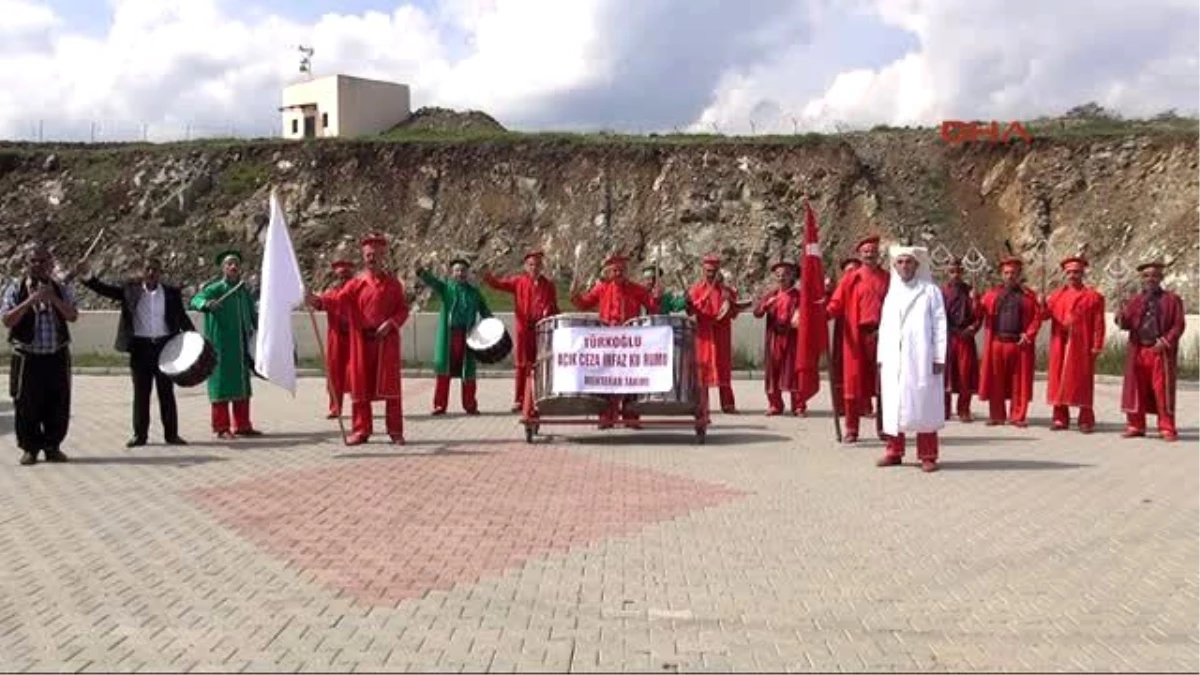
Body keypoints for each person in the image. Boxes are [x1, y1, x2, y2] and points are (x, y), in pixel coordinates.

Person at [78, 256, 194, 447]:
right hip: (140, 348)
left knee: (166, 392)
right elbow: (105, 290)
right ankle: (140, 435)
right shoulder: (130, 290)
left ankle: (171, 435)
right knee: (141, 393)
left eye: (155, 270)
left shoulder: (171, 293)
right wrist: (87, 275)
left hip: (165, 347)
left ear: (160, 273)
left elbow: (181, 318)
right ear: (142, 272)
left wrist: (194, 340)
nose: (151, 273)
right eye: (148, 269)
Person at [307, 233, 410, 445]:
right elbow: (337, 298)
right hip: (362, 343)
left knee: (391, 389)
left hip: (385, 342)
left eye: (376, 254)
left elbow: (403, 310)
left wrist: (390, 324)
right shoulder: (356, 283)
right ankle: (361, 430)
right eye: (368, 255)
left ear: (384, 256)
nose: (372, 258)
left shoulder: (393, 284)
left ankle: (395, 431)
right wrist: (317, 301)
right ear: (364, 257)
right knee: (360, 387)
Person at [2, 245, 79, 465]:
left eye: (43, 261)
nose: (38, 265)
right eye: (33, 261)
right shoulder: (15, 288)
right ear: (27, 265)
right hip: (27, 357)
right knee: (26, 404)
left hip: (56, 355)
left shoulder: (61, 288)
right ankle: (30, 448)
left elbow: (72, 315)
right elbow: (7, 320)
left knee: (58, 402)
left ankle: (52, 446)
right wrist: (31, 301)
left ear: (50, 264)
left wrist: (53, 299)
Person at [875, 246, 947, 473]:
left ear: (917, 265)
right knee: (895, 404)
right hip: (894, 358)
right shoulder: (892, 293)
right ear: (895, 266)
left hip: (922, 356)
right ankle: (894, 451)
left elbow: (940, 324)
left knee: (923, 403)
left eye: (909, 262)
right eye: (900, 262)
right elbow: (884, 327)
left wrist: (939, 355)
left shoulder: (930, 291)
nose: (904, 266)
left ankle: (928, 454)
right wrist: (881, 356)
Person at [571, 254, 659, 427]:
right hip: (607, 339)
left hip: (629, 339)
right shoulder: (601, 288)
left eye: (622, 270)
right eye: (615, 270)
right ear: (609, 272)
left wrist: (656, 297)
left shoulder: (636, 289)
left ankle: (631, 416)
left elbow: (653, 307)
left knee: (631, 378)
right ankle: (606, 416)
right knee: (606, 378)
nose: (618, 273)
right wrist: (575, 296)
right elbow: (584, 304)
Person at [189, 250, 262, 439]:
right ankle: (222, 427)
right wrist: (206, 304)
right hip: (220, 345)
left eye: (236, 264)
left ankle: (243, 425)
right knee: (221, 385)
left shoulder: (242, 291)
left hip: (240, 346)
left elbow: (252, 314)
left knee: (242, 385)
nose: (233, 267)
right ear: (223, 268)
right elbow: (196, 300)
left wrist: (259, 329)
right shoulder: (215, 289)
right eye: (229, 264)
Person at [825, 235, 889, 442]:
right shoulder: (850, 278)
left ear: (878, 254)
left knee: (884, 384)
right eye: (866, 251)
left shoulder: (888, 278)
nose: (870, 254)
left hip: (883, 335)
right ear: (859, 255)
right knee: (853, 382)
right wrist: (824, 313)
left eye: (873, 251)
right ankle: (852, 428)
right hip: (856, 336)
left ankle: (885, 428)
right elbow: (836, 304)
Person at [1115, 261, 1185, 442]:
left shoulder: (1172, 299)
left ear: (1161, 278)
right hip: (1138, 349)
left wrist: (1165, 342)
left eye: (1154, 275)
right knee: (1136, 388)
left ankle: (1167, 427)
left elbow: (1178, 325)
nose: (1150, 279)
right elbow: (1126, 324)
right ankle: (1136, 425)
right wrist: (1120, 315)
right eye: (1146, 276)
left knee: (1162, 390)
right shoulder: (1135, 300)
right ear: (1141, 279)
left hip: (1159, 351)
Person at [483, 251, 559, 412]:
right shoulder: (518, 282)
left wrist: (553, 317)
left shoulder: (548, 285)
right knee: (522, 364)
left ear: (542, 266)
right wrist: (487, 275)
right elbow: (497, 284)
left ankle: (540, 397)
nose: (534, 268)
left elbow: (554, 306)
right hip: (524, 330)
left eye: (537, 265)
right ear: (525, 266)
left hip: (542, 330)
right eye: (531, 265)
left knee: (542, 363)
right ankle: (519, 399)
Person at [418, 258, 493, 415]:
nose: (460, 273)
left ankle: (470, 405)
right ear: (452, 273)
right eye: (457, 270)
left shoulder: (474, 293)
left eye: (463, 270)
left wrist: (493, 325)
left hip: (467, 337)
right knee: (443, 372)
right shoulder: (446, 289)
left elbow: (485, 310)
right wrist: (421, 272)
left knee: (469, 373)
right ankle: (440, 405)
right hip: (448, 337)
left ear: (468, 273)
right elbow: (433, 282)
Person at [1042, 256, 1106, 433]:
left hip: (1082, 345)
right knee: (1058, 380)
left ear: (1082, 273)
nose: (1072, 275)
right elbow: (1044, 316)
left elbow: (1099, 323)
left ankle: (1085, 419)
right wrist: (1040, 304)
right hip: (1060, 345)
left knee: (1083, 381)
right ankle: (1060, 418)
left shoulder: (1093, 297)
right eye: (1069, 272)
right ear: (1065, 273)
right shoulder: (1056, 296)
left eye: (1076, 272)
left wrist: (1097, 344)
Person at [977, 257, 1041, 427]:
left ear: (1019, 274)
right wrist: (974, 301)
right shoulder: (992, 295)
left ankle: (1018, 416)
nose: (1010, 276)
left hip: (1019, 344)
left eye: (1013, 273)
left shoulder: (1029, 296)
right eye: (1006, 273)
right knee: (996, 379)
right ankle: (997, 415)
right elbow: (977, 313)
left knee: (1018, 382)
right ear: (1001, 275)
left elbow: (1037, 317)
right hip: (997, 343)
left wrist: (1029, 334)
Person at [687, 255, 740, 414]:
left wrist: (730, 306)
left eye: (714, 271)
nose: (711, 274)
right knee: (703, 368)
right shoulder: (696, 290)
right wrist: (688, 304)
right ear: (703, 271)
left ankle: (728, 404)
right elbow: (690, 312)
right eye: (708, 271)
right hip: (703, 333)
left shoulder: (727, 291)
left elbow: (733, 313)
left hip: (721, 332)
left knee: (723, 367)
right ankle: (703, 405)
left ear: (719, 271)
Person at [753, 261, 803, 415]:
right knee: (773, 371)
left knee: (794, 371)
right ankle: (775, 404)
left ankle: (798, 405)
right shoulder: (771, 294)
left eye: (785, 274)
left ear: (791, 276)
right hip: (774, 337)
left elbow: (806, 312)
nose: (781, 277)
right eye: (778, 275)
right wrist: (765, 306)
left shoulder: (798, 295)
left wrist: (800, 313)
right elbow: (757, 313)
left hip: (792, 337)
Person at [941, 258, 981, 422]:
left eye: (958, 271)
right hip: (948, 337)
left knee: (965, 374)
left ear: (962, 272)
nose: (955, 275)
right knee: (946, 374)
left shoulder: (970, 291)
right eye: (952, 271)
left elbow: (978, 315)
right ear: (947, 272)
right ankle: (944, 410)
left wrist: (973, 328)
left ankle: (964, 409)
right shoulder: (941, 292)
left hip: (965, 337)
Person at [323, 258, 356, 419]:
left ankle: (360, 404)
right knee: (335, 373)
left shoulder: (357, 293)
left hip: (355, 339)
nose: (344, 280)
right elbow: (320, 302)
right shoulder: (331, 294)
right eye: (341, 276)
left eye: (347, 276)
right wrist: (310, 298)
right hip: (336, 340)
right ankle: (335, 407)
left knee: (357, 372)